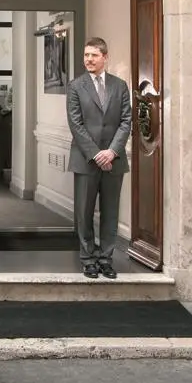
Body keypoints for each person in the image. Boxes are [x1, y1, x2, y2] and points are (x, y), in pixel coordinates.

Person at [66, 37, 132, 279]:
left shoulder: (120, 86)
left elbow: (126, 121)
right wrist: (96, 154)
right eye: (86, 55)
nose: (89, 60)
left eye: (93, 55)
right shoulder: (76, 86)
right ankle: (88, 259)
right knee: (84, 212)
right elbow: (76, 124)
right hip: (86, 159)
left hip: (113, 160)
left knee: (110, 212)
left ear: (105, 57)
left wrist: (112, 152)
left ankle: (106, 259)